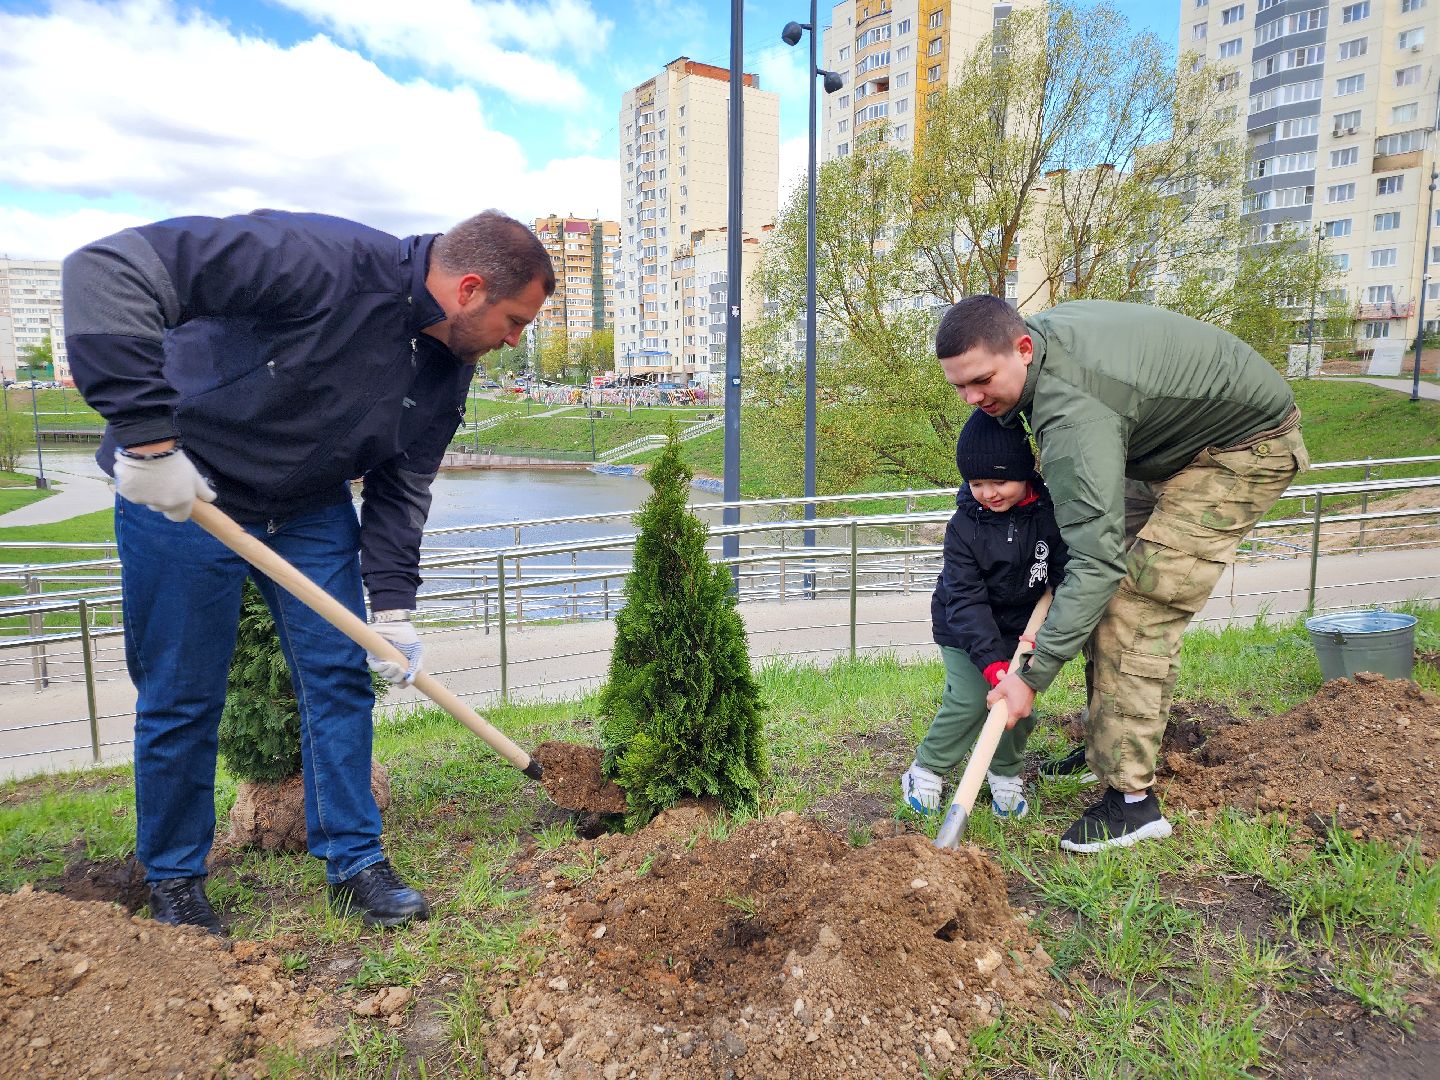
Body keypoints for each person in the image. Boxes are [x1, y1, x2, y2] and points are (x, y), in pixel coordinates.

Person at [63, 208, 554, 931]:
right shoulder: (319, 261)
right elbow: (106, 270)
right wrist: (146, 439)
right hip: (183, 489)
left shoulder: (450, 367)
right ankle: (174, 880)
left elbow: (402, 484)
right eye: (514, 321)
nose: (513, 341)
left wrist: (392, 610)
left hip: (308, 508)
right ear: (470, 288)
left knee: (340, 680)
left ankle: (355, 861)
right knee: (181, 694)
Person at [935, 297, 1308, 853]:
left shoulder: (1071, 413)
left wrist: (1029, 679)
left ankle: (1133, 804)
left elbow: (1097, 563)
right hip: (1168, 444)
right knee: (1093, 588)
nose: (972, 399)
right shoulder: (1041, 361)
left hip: (1242, 446)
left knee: (1132, 607)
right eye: (959, 387)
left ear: (1023, 348)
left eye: (982, 380)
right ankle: (1102, 749)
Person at [901, 410, 1068, 820]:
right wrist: (994, 667)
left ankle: (1005, 773)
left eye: (1000, 481)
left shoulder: (1050, 517)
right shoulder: (964, 527)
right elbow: (964, 599)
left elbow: (1065, 569)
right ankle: (928, 768)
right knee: (973, 700)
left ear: (1026, 474)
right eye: (977, 483)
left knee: (1017, 707)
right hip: (963, 628)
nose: (989, 493)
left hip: (1025, 630)